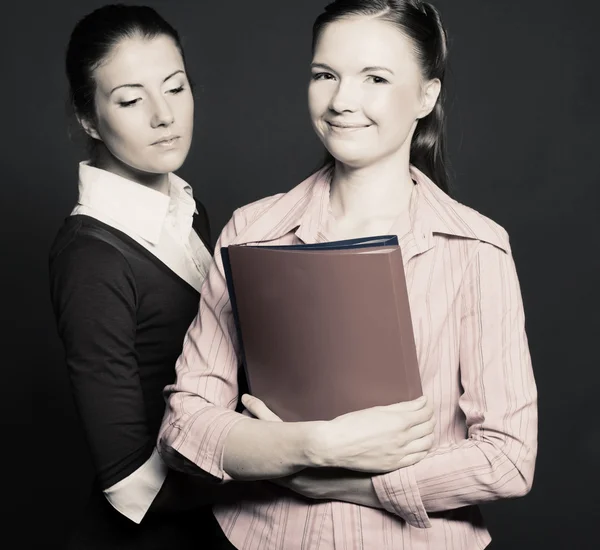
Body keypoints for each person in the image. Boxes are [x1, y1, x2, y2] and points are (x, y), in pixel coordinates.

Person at [158, 1, 538, 548]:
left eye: (375, 78)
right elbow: (184, 426)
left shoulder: (476, 248)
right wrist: (317, 447)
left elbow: (507, 457)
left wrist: (354, 485)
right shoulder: (251, 231)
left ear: (427, 96)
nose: (341, 101)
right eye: (325, 75)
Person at [49, 5, 234, 549]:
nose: (163, 115)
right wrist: (288, 475)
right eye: (130, 99)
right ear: (88, 118)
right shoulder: (91, 257)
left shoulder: (189, 209)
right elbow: (131, 486)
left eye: (175, 88)